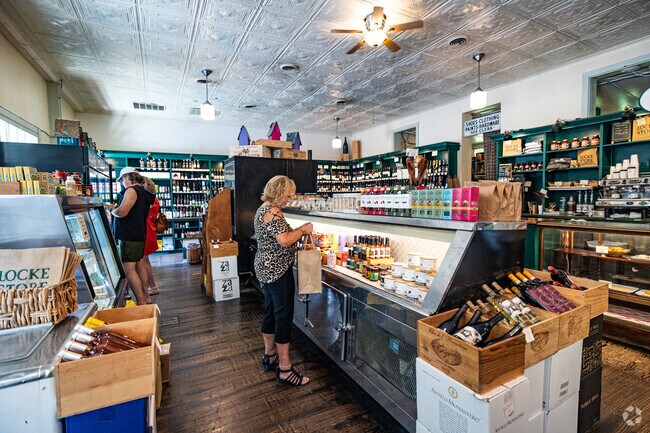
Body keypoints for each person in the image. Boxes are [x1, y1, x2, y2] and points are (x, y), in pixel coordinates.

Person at [254, 175, 313, 386]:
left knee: (270, 311)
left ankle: (270, 356)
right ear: (279, 193)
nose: (289, 200)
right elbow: (284, 239)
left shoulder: (263, 208)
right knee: (283, 317)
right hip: (277, 271)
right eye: (288, 195)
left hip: (265, 268)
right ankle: (285, 369)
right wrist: (303, 230)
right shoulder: (273, 211)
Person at [111, 167, 155, 305]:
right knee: (139, 266)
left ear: (127, 177)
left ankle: (141, 302)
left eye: (122, 179)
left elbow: (123, 212)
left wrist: (113, 211)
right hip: (138, 234)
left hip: (129, 235)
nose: (122, 182)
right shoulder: (143, 191)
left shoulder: (131, 190)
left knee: (129, 271)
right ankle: (146, 297)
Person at [142, 177, 161, 296]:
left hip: (146, 229)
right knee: (145, 260)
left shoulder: (148, 199)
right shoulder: (154, 198)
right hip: (148, 228)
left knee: (144, 260)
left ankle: (152, 287)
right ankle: (149, 287)